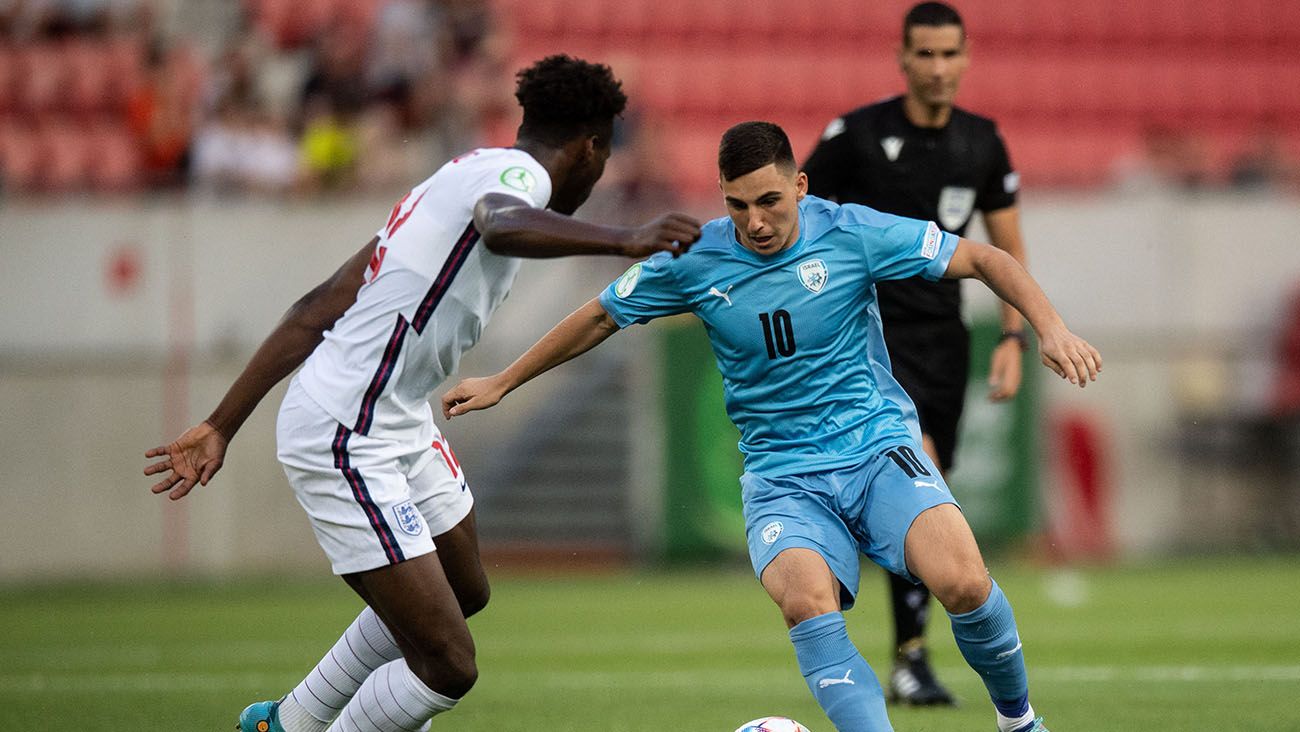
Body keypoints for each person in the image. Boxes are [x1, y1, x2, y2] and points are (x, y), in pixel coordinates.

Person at [442, 121, 1101, 732]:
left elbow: (987, 260)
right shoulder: (695, 259)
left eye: (769, 201)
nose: (755, 221)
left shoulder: (851, 232)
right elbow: (598, 316)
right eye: (737, 205)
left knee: (962, 581)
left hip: (876, 448)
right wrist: (503, 380)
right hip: (783, 478)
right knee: (807, 604)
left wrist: (1049, 328)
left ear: (800, 186)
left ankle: (1020, 722)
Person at [143, 54, 702, 732]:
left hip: (395, 415)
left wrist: (221, 423)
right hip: (346, 429)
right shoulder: (513, 182)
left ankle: (289, 720)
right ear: (592, 146)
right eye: (605, 154)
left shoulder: (460, 173)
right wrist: (625, 238)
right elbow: (502, 222)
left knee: (465, 590)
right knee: (447, 665)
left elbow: (323, 303)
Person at [801, 1, 1028, 706]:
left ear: (966, 59)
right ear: (901, 59)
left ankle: (906, 654)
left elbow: (1008, 250)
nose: (936, 68)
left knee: (928, 494)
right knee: (917, 470)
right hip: (866, 343)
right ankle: (907, 658)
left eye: (948, 54)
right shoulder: (856, 138)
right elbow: (795, 219)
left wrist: (1015, 337)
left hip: (944, 341)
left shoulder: (983, 144)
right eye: (923, 55)